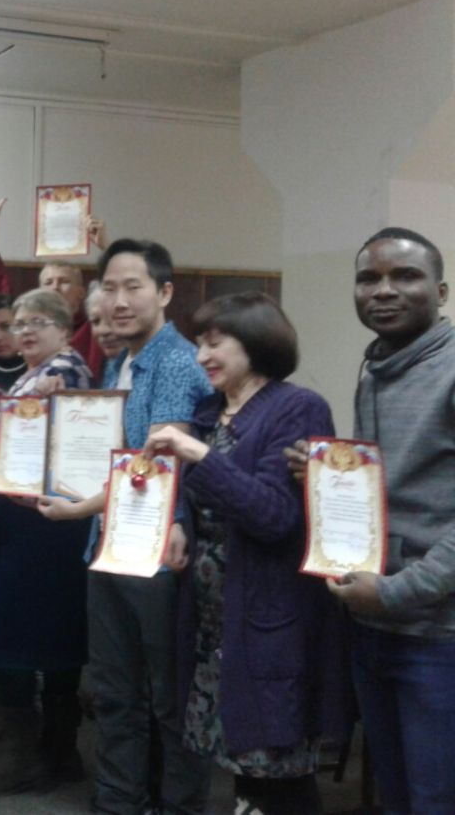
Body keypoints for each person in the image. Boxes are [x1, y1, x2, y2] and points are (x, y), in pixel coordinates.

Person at [143, 293, 349, 813]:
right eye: (198, 344)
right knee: (241, 771)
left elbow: (274, 516)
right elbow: (191, 494)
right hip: (215, 625)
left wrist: (198, 454)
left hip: (268, 619)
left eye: (214, 343)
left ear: (255, 342)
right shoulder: (210, 411)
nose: (201, 356)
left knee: (275, 773)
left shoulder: (297, 407)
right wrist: (180, 521)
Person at [39, 239, 213, 815]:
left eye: (133, 287)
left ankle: (179, 804)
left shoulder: (177, 361)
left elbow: (156, 465)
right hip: (110, 543)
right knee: (114, 690)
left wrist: (77, 509)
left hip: (157, 548)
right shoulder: (121, 362)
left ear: (164, 293)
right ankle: (119, 797)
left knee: (167, 695)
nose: (118, 301)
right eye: (109, 287)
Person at [287, 227, 455, 814]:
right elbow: (401, 486)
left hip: (438, 633)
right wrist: (324, 477)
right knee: (396, 794)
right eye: (368, 279)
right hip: (375, 624)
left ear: (441, 291)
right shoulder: (377, 369)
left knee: (436, 798)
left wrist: (395, 592)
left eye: (404, 276)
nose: (383, 290)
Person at [0, 288, 93, 793]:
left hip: (44, 530)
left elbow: (54, 451)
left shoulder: (64, 374)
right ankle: (47, 750)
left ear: (64, 329)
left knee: (26, 634)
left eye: (38, 322)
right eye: (19, 322)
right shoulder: (31, 375)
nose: (24, 331)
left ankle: (37, 752)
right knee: (31, 633)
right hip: (18, 526)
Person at [0, 197, 107, 381]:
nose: (55, 287)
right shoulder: (28, 326)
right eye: (48, 282)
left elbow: (114, 293)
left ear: (81, 293)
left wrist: (106, 248)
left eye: (64, 281)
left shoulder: (94, 326)